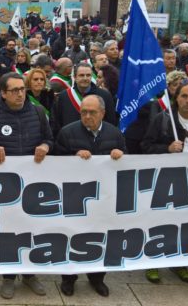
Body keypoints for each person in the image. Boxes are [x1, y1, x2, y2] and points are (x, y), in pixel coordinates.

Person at [0, 72, 53, 300]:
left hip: (33, 186)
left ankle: (29, 274)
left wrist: (45, 146)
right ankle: (8, 277)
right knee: (8, 232)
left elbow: (50, 139)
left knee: (32, 229)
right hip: (4, 188)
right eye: (15, 90)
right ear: (3, 93)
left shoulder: (37, 112)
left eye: (22, 89)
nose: (20, 94)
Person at [141, 81, 188, 284]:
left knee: (185, 222)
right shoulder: (164, 119)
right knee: (159, 221)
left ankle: (179, 262)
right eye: (184, 96)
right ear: (176, 97)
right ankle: (152, 262)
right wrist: (166, 148)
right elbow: (146, 145)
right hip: (166, 179)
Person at [55, 95, 126, 298]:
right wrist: (73, 158)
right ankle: (69, 278)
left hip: (103, 198)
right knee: (72, 237)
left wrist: (120, 155)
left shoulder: (114, 133)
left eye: (92, 112)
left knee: (100, 237)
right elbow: (55, 162)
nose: (87, 116)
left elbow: (128, 159)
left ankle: (97, 278)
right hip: (75, 197)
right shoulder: (67, 132)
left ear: (102, 113)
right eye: (84, 112)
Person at [51, 62, 116, 135]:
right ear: (75, 77)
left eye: (88, 75)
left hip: (97, 141)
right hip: (70, 141)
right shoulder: (64, 96)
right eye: (81, 75)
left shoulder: (105, 95)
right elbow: (58, 123)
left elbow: (111, 122)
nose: (85, 78)